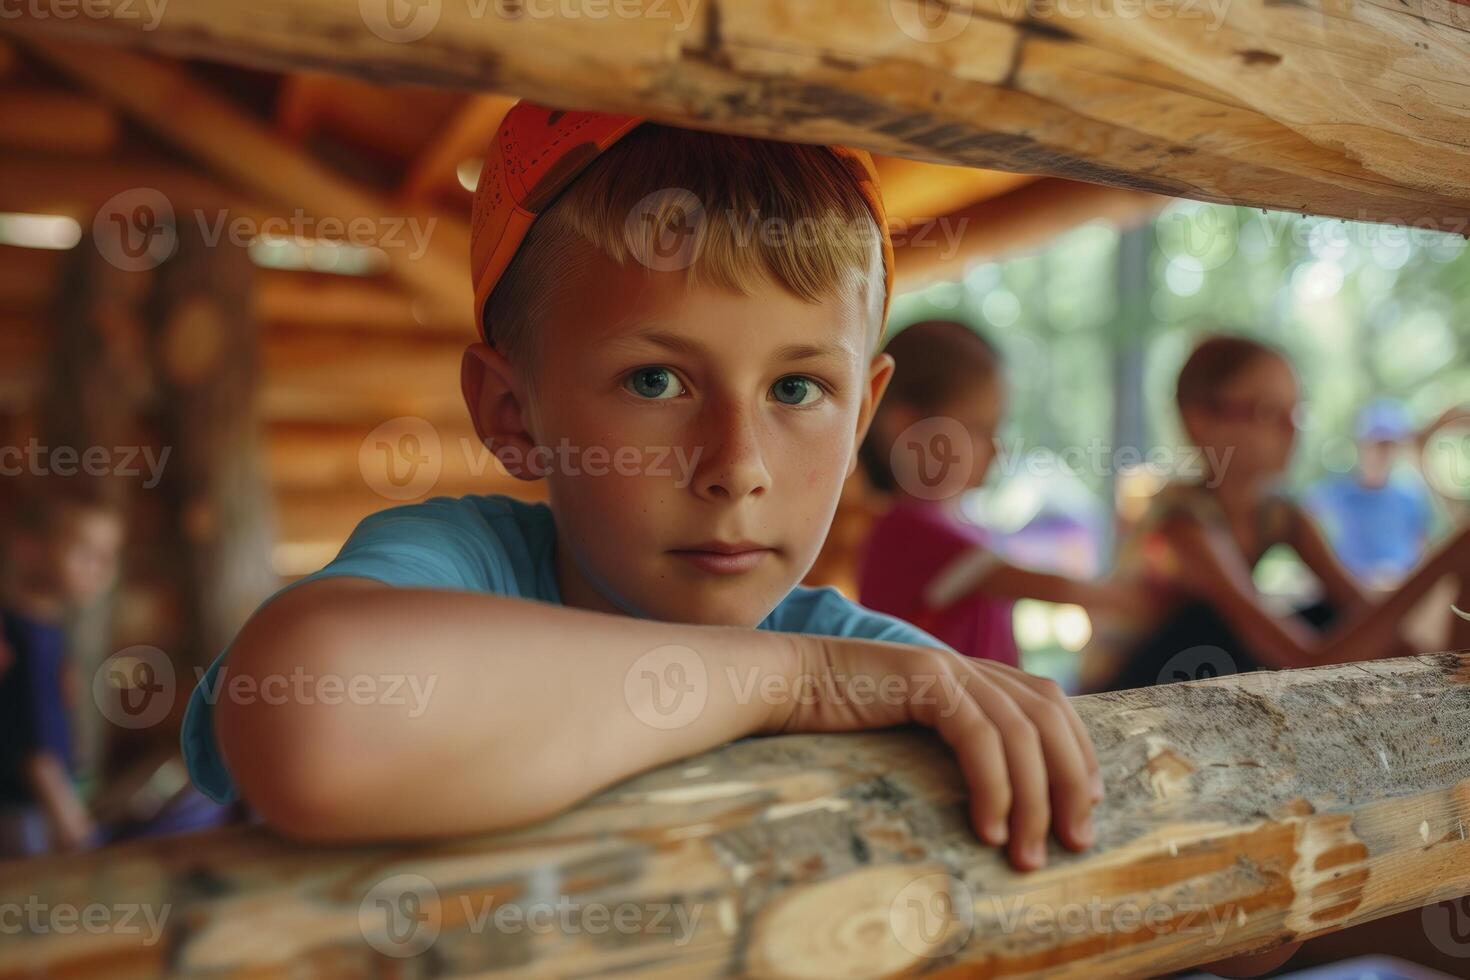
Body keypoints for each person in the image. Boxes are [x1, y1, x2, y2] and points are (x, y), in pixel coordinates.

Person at [180, 104, 1102, 872]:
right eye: (656, 382)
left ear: (861, 415)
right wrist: (789, 682)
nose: (737, 466)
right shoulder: (465, 567)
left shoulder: (870, 667)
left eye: (796, 389)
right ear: (512, 412)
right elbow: (311, 718)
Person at [1082, 334, 1470, 694]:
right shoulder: (1182, 523)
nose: (1290, 429)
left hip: (1209, 676)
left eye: (1295, 412)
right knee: (1208, 625)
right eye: (1267, 411)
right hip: (1134, 689)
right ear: (1200, 420)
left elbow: (1370, 617)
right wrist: (1446, 559)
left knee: (1332, 615)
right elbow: (1302, 660)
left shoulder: (1280, 514)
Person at [857, 319, 1144, 668]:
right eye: (979, 429)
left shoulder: (962, 528)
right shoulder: (906, 532)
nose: (997, 450)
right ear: (905, 426)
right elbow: (1055, 588)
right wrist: (1135, 597)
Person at [0, 476, 124, 858]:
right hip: (28, 815)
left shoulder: (48, 630)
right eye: (86, 553)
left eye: (109, 555)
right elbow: (35, 750)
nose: (103, 569)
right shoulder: (21, 638)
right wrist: (73, 828)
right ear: (29, 550)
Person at [1305, 399, 1434, 589]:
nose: (1383, 454)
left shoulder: (1410, 498)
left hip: (1403, 592)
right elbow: (1298, 518)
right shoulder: (1338, 495)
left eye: (1389, 447)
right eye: (1377, 445)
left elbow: (1422, 551)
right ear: (1361, 446)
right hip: (1353, 594)